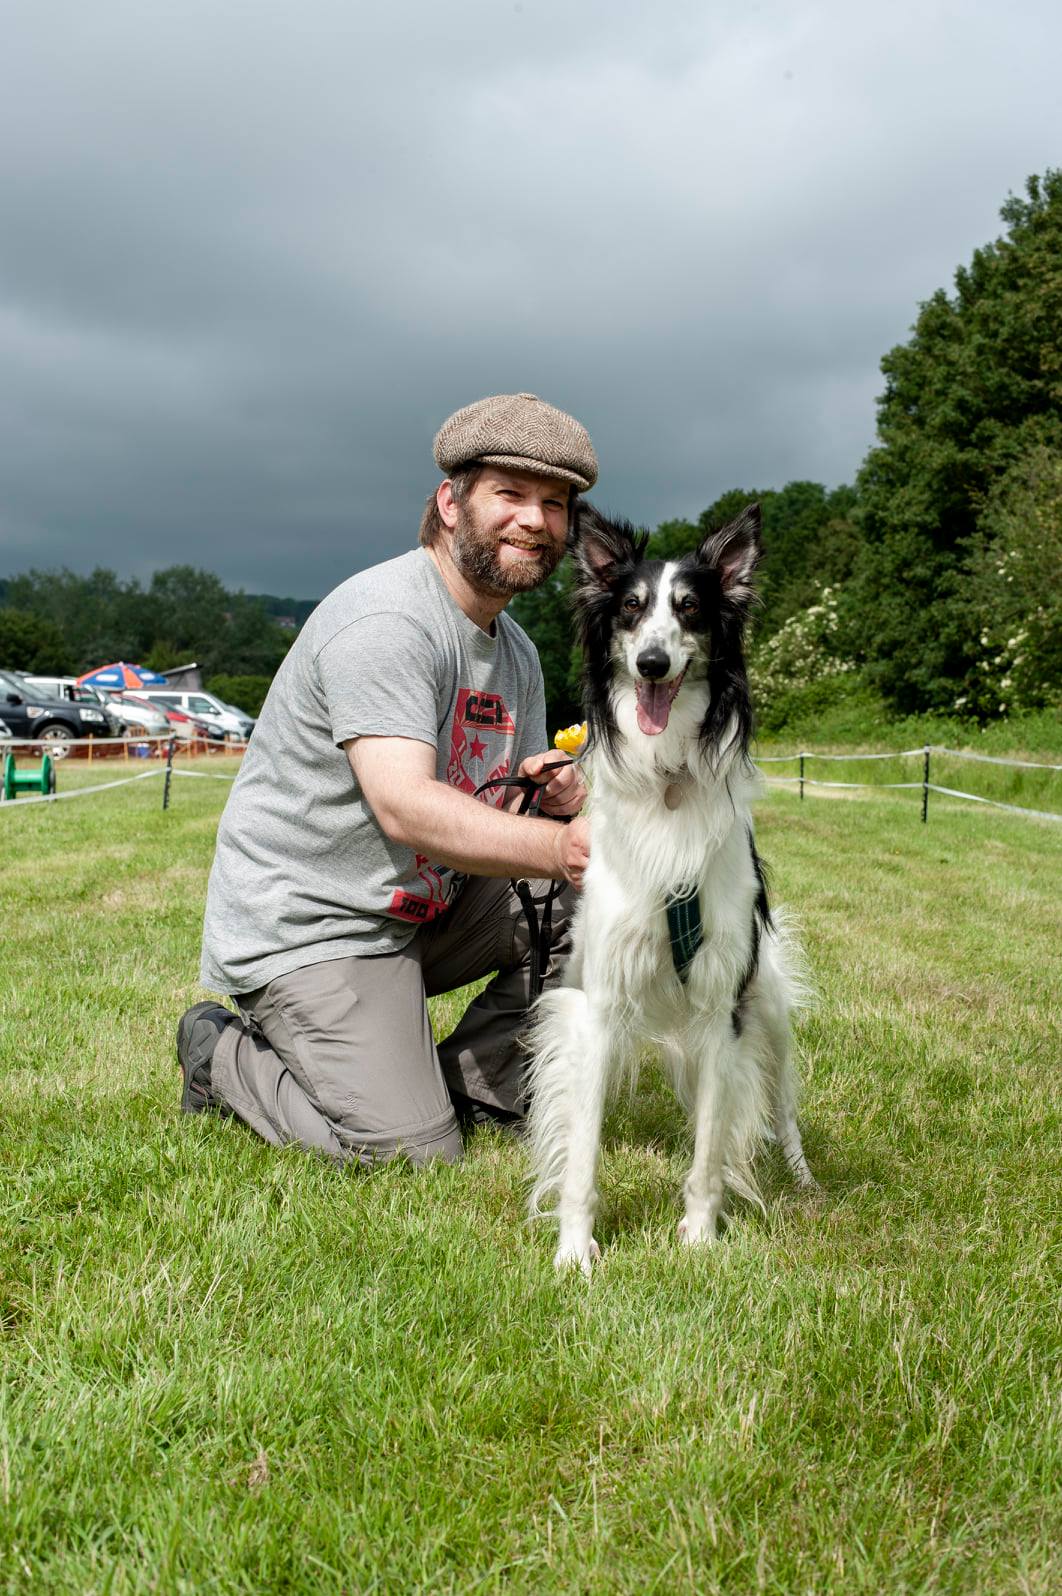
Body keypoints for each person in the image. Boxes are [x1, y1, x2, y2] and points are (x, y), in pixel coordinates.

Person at [177, 392, 595, 1167]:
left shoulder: (519, 655)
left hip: (423, 906)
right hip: (315, 925)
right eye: (509, 493)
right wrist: (562, 843)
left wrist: (553, 796)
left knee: (603, 906)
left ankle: (477, 1090)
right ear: (449, 502)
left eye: (555, 503)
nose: (535, 520)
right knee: (406, 1158)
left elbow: (509, 811)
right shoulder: (388, 620)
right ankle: (219, 1054)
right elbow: (405, 806)